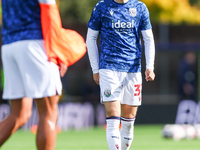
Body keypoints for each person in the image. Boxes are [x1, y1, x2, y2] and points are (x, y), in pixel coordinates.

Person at [86, 0, 155, 150]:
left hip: (133, 69)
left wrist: (150, 66)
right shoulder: (102, 6)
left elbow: (148, 39)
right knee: (113, 117)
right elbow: (90, 38)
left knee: (129, 121)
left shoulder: (140, 8)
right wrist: (95, 69)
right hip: (108, 68)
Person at [0, 0, 68, 150]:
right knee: (49, 111)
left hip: (9, 44)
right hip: (35, 43)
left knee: (19, 114)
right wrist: (57, 49)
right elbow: (50, 10)